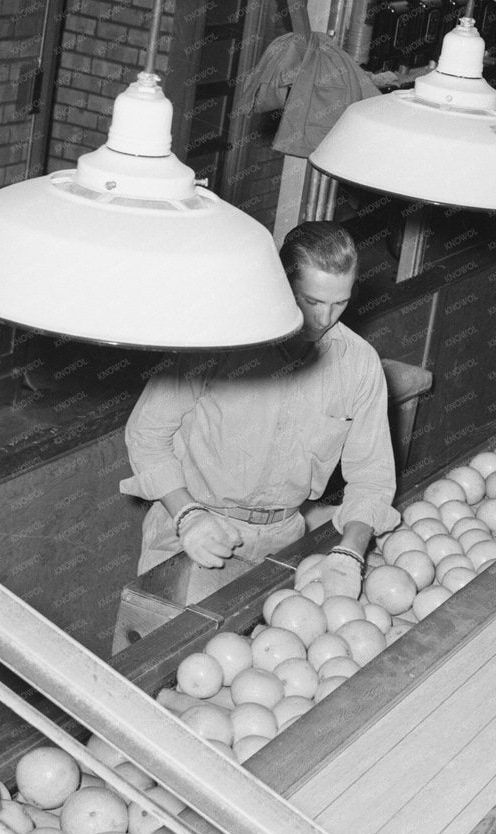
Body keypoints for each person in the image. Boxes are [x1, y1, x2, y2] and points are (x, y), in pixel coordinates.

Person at [121, 221, 399, 604]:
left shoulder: (359, 365)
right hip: (193, 528)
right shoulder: (221, 338)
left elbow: (371, 477)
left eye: (340, 303)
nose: (324, 319)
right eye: (312, 301)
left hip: (281, 543)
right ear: (282, 284)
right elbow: (146, 435)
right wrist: (188, 517)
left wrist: (350, 552)